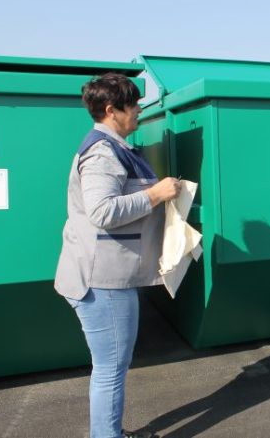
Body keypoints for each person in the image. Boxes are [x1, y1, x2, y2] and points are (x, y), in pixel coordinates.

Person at [55, 73, 181, 437]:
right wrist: (156, 195)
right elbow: (103, 212)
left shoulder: (115, 147)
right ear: (112, 110)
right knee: (111, 368)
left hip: (106, 277)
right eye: (134, 105)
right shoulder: (102, 153)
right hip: (101, 282)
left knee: (110, 366)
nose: (140, 110)